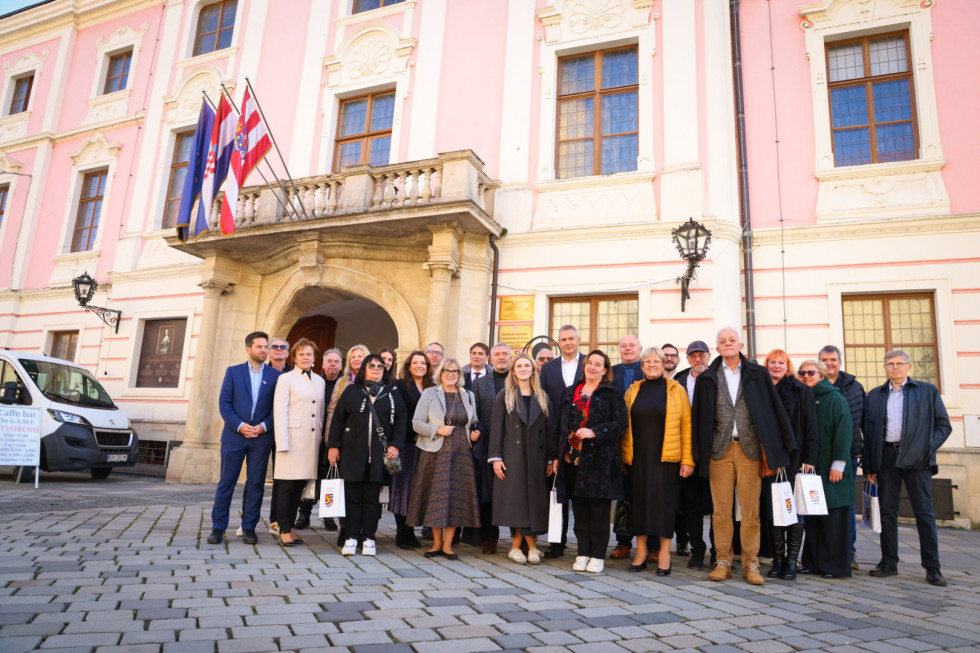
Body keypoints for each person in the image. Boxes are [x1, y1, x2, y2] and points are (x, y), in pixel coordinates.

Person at [692, 327, 795, 585]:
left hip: (750, 449)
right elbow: (699, 419)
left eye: (732, 340)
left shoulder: (758, 373)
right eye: (722, 341)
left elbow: (773, 410)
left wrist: (782, 446)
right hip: (719, 450)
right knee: (721, 511)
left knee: (751, 511)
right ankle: (723, 561)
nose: (727, 344)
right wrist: (697, 453)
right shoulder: (708, 377)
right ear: (717, 349)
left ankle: (751, 563)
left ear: (740, 345)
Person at [863, 350, 951, 586]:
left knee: (924, 512)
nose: (895, 368)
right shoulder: (875, 395)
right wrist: (870, 464)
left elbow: (943, 425)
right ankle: (889, 562)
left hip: (917, 459)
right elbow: (869, 431)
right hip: (886, 457)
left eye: (899, 364)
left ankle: (933, 568)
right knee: (887, 511)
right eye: (890, 364)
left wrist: (926, 449)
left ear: (909, 367)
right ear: (884, 367)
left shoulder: (926, 391)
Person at [553, 350, 627, 573]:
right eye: (589, 363)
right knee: (581, 512)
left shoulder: (611, 392)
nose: (592, 367)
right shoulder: (570, 392)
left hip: (600, 462)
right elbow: (559, 426)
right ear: (584, 366)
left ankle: (597, 555)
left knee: (598, 512)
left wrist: (595, 431)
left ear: (605, 370)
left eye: (598, 364)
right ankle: (582, 552)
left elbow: (621, 423)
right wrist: (556, 457)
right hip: (572, 460)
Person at [621, 347, 693, 575]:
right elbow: (625, 428)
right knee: (639, 504)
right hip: (638, 458)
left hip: (666, 459)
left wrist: (687, 460)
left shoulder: (676, 390)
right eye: (647, 362)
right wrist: (623, 457)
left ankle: (663, 552)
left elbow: (686, 426)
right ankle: (640, 551)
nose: (652, 365)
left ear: (664, 365)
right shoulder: (633, 391)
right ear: (641, 367)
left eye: (657, 361)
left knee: (664, 506)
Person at [327, 353, 406, 556]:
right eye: (372, 365)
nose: (376, 369)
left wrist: (396, 445)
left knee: (372, 498)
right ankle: (352, 537)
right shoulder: (352, 391)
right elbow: (337, 420)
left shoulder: (392, 393)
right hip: (353, 454)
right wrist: (333, 446)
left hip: (379, 456)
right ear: (364, 368)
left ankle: (369, 537)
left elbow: (401, 421)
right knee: (352, 497)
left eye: (380, 366)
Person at [207, 332, 281, 546]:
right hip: (234, 437)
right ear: (248, 349)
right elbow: (225, 404)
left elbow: (278, 408)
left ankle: (249, 528)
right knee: (226, 484)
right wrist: (240, 426)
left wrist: (263, 426)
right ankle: (218, 529)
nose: (264, 351)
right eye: (259, 347)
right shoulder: (233, 372)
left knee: (256, 484)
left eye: (266, 347)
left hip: (261, 438)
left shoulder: (275, 376)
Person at [409, 358, 481, 560]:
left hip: (461, 452)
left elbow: (473, 420)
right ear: (440, 374)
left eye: (455, 371)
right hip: (435, 451)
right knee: (436, 497)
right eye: (447, 371)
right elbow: (416, 423)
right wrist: (437, 429)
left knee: (455, 498)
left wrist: (475, 433)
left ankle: (448, 545)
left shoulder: (468, 395)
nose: (451, 374)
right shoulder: (431, 393)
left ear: (460, 375)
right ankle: (436, 543)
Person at [489, 354, 552, 564]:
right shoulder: (504, 395)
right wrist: (496, 458)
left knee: (532, 502)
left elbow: (548, 431)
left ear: (533, 370)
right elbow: (496, 429)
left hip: (536, 457)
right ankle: (528, 546)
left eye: (527, 365)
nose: (524, 369)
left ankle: (521, 547)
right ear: (513, 371)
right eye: (519, 366)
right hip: (512, 457)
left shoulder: (542, 396)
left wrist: (551, 459)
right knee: (517, 502)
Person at [795, 359, 854, 578]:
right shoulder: (804, 398)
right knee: (813, 518)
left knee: (833, 519)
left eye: (811, 372)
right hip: (811, 469)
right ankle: (812, 562)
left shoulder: (834, 398)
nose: (806, 376)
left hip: (832, 469)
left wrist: (838, 464)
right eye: (802, 373)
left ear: (822, 376)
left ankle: (834, 566)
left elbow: (844, 432)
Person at [764, 349, 817, 580]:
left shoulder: (801, 391)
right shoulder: (760, 391)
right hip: (768, 460)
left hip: (795, 460)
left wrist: (809, 459)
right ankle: (777, 560)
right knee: (773, 510)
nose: (776, 366)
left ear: (788, 366)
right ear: (766, 366)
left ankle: (791, 561)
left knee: (794, 510)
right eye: (772, 362)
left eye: (781, 363)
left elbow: (811, 427)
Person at [271, 338, 325, 547]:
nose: (305, 357)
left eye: (309, 354)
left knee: (299, 488)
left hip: (310, 444)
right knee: (286, 487)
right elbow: (280, 411)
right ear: (294, 357)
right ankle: (283, 529)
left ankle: (291, 527)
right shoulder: (286, 379)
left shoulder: (319, 380)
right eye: (301, 354)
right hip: (291, 441)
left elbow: (319, 414)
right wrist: (282, 443)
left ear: (314, 357)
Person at [538, 325, 585, 558]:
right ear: (559, 342)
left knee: (582, 493)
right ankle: (557, 543)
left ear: (579, 339)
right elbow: (544, 405)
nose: (567, 343)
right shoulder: (548, 369)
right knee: (558, 493)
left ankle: (584, 545)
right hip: (557, 436)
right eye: (563, 339)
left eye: (571, 339)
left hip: (583, 438)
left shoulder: (589, 364)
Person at [236, 336, 289, 538]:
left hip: (284, 434)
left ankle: (276, 521)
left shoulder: (292, 374)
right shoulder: (258, 371)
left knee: (282, 480)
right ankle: (246, 523)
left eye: (281, 347)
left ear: (287, 352)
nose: (277, 349)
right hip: (261, 432)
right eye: (272, 346)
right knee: (254, 480)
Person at [819, 345, 865, 570]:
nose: (829, 363)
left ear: (840, 361)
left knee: (845, 505)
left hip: (849, 455)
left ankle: (849, 551)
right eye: (825, 360)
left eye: (833, 359)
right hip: (820, 457)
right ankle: (823, 551)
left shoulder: (854, 388)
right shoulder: (814, 387)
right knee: (820, 504)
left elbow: (863, 422)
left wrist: (864, 453)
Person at [294, 347, 344, 533]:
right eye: (329, 361)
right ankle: (304, 514)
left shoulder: (344, 384)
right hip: (311, 437)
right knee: (309, 477)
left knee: (329, 477)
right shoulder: (314, 382)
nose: (332, 364)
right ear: (322, 364)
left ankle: (328, 515)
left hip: (332, 439)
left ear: (341, 365)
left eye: (336, 361)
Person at [672, 339, 712, 569]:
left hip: (714, 452)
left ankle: (720, 553)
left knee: (720, 506)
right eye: (693, 355)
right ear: (687, 358)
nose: (698, 359)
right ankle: (697, 550)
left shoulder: (718, 378)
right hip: (687, 452)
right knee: (691, 505)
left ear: (708, 355)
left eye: (702, 355)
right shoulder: (678, 382)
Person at [470, 343, 512, 553]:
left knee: (514, 491)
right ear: (491, 359)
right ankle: (489, 537)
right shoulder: (480, 383)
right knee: (488, 491)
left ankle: (518, 538)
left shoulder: (519, 379)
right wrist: (476, 431)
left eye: (505, 354)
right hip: (487, 442)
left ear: (510, 358)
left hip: (514, 442)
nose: (501, 357)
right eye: (498, 354)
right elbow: (474, 413)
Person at [390, 351, 434, 549]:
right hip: (408, 444)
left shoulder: (433, 387)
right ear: (408, 366)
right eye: (415, 363)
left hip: (428, 445)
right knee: (403, 488)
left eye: (423, 363)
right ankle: (402, 533)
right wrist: (413, 433)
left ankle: (413, 531)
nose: (419, 366)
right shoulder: (400, 386)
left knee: (418, 488)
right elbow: (399, 414)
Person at [610, 334, 641, 561]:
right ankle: (623, 542)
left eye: (632, 345)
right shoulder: (612, 372)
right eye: (623, 346)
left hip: (644, 439)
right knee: (622, 494)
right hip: (617, 439)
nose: (628, 349)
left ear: (640, 349)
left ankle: (649, 544)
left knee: (645, 493)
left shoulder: (648, 368)